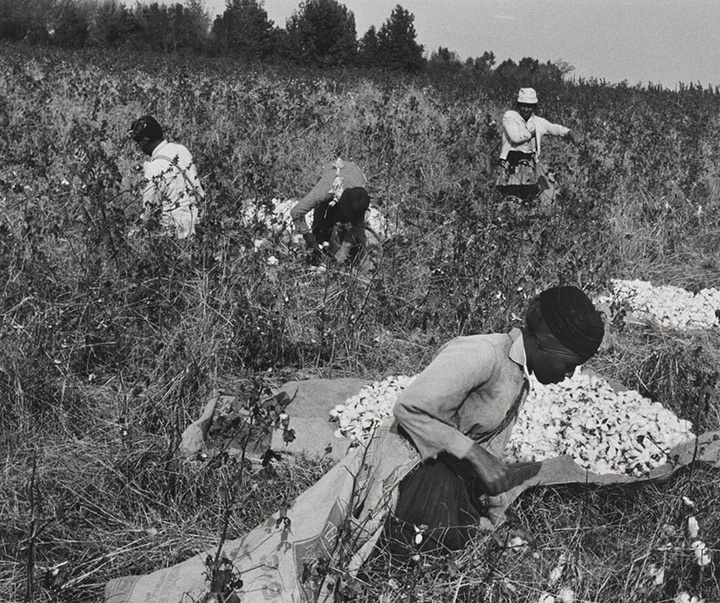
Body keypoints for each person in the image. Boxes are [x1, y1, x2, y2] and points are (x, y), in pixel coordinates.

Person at [381, 285, 605, 557]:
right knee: (426, 556)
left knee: (489, 549)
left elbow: (490, 462)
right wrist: (474, 455)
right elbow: (409, 408)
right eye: (569, 363)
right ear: (548, 339)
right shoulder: (483, 353)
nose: (570, 374)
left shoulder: (519, 382)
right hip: (412, 467)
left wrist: (502, 521)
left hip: (449, 474)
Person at [495, 87, 577, 204]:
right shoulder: (510, 117)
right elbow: (515, 138)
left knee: (530, 197)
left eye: (530, 106)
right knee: (512, 197)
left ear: (534, 107)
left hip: (529, 163)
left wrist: (569, 132)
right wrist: (532, 133)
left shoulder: (537, 122)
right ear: (519, 105)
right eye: (523, 105)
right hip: (511, 162)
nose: (526, 109)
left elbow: (553, 128)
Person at [128, 115, 204, 239]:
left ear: (145, 141)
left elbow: (148, 213)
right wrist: (145, 166)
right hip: (200, 224)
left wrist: (132, 234)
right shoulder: (181, 150)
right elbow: (171, 169)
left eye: (138, 144)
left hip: (178, 235)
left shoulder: (154, 169)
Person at [290, 157, 370, 265]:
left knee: (345, 228)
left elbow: (354, 226)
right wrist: (311, 241)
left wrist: (341, 255)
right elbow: (296, 212)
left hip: (353, 175)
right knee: (320, 222)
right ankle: (319, 240)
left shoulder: (360, 198)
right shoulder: (323, 191)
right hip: (331, 179)